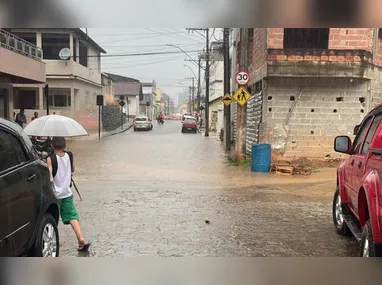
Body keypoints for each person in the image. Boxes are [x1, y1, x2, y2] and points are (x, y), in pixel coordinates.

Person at [47, 137, 90, 252]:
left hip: (54, 195)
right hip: (67, 193)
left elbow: (49, 177)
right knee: (72, 216)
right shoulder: (69, 155)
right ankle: (80, 238)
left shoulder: (50, 159)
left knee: (51, 219)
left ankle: (52, 241)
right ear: (65, 145)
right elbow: (73, 170)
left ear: (51, 145)